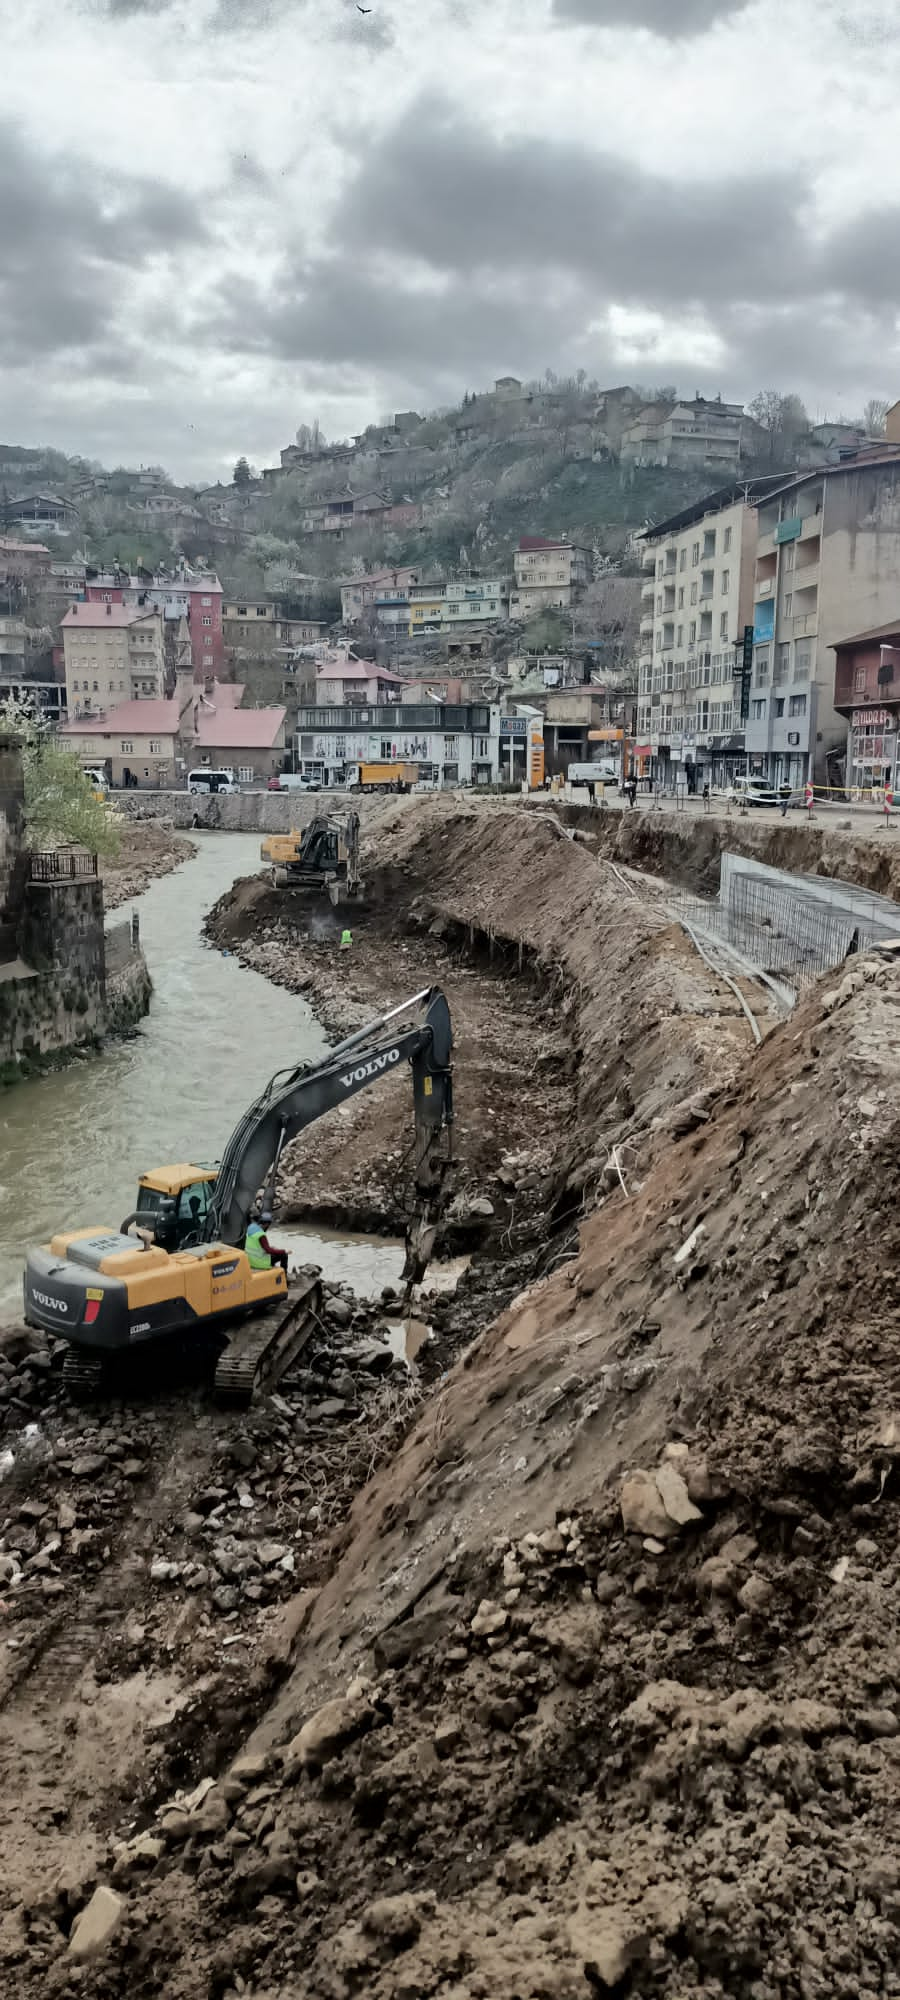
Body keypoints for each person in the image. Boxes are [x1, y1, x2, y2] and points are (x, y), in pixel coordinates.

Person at [245, 1210, 289, 1275]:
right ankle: (284, 1277)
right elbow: (268, 1250)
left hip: (251, 1260)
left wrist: (272, 1248)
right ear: (266, 1224)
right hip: (260, 1263)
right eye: (268, 1225)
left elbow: (256, 1245)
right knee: (284, 1255)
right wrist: (283, 1251)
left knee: (274, 1251)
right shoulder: (261, 1234)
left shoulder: (250, 1227)